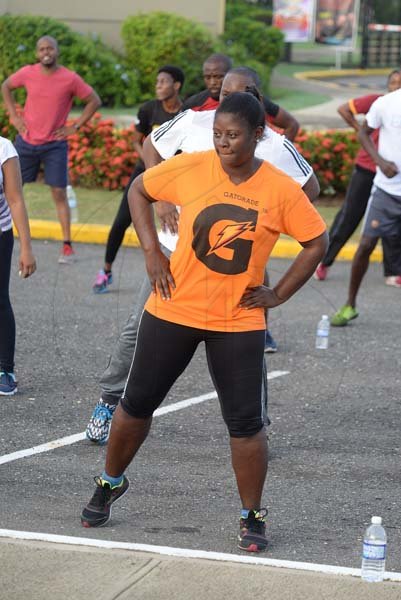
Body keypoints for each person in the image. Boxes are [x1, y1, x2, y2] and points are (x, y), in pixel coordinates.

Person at [81, 92, 328, 554]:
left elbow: (317, 240)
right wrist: (152, 250)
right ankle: (109, 481)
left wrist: (278, 294)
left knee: (246, 424)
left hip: (238, 320)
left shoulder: (278, 188)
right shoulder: (192, 166)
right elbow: (140, 189)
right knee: (135, 405)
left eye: (233, 136)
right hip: (173, 308)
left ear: (258, 136)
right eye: (217, 135)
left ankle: (251, 514)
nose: (222, 144)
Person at [85, 67, 320, 444]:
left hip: (235, 267)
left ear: (254, 97)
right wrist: (161, 198)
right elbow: (150, 148)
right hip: (174, 254)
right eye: (222, 91)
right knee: (136, 329)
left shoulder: (272, 144)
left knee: (248, 345)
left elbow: (310, 187)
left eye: (237, 93)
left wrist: (265, 222)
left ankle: (255, 426)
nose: (225, 100)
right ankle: (109, 402)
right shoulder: (194, 123)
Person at [1, 35, 101, 264]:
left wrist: (74, 126)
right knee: (10, 191)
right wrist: (14, 116)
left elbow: (94, 100)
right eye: (42, 48)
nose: (46, 52)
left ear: (57, 51)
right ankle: (5, 238)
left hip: (54, 145)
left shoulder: (70, 78)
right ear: (37, 53)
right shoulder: (27, 72)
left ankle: (66, 246)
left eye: (50, 48)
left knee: (59, 193)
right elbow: (6, 86)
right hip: (25, 144)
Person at [92, 65, 185, 293]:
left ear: (177, 85)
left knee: (176, 226)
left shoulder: (186, 113)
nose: (158, 86)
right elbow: (136, 139)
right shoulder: (148, 110)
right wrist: (149, 160)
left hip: (174, 178)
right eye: (157, 82)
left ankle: (179, 274)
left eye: (163, 82)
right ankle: (106, 270)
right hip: (144, 174)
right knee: (121, 221)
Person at [314, 70, 401, 285]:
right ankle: (324, 262)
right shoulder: (377, 102)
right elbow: (344, 110)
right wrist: (359, 129)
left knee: (392, 225)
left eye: (400, 83)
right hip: (368, 168)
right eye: (393, 82)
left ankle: (393, 272)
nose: (396, 86)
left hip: (392, 177)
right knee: (349, 217)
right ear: (387, 84)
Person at [331, 85, 401, 326]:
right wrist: (380, 162)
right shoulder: (386, 103)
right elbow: (363, 133)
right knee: (366, 245)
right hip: (387, 192)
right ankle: (350, 304)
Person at [183, 53, 300, 141]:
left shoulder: (254, 102)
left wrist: (278, 154)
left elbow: (291, 125)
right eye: (208, 77)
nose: (213, 82)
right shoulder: (194, 105)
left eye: (219, 77)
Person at [0, 136, 36, 395]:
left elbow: (16, 200)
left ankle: (5, 369)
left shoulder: (4, 148)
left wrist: (26, 247)